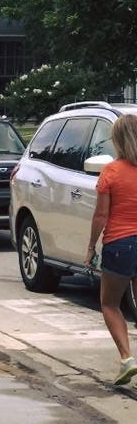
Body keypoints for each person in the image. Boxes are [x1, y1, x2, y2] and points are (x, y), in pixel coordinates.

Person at [84, 113, 137, 387]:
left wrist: (92, 246)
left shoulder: (112, 171)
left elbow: (101, 216)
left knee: (109, 303)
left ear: (117, 139)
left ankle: (127, 359)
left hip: (120, 244)